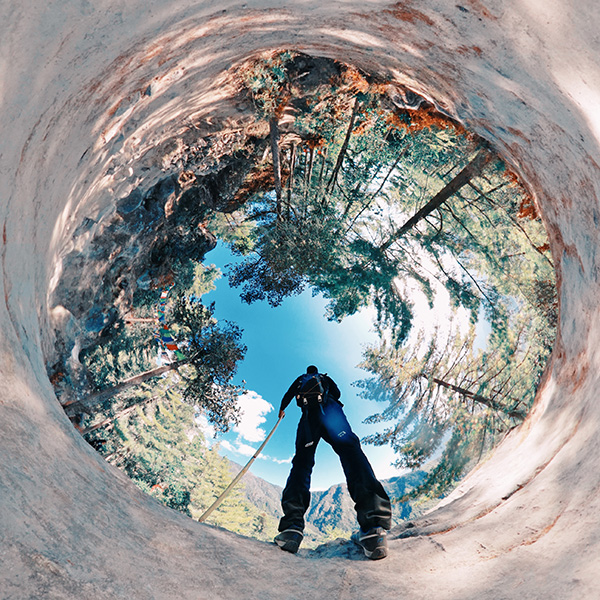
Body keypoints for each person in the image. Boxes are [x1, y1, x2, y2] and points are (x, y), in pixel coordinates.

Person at [274, 365, 392, 560]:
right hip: (331, 412)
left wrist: (281, 409)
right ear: (317, 372)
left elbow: (288, 394)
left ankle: (292, 529)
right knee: (351, 452)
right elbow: (337, 393)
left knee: (302, 464)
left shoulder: (300, 378)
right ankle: (373, 528)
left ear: (307, 372)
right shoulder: (324, 378)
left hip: (308, 417)